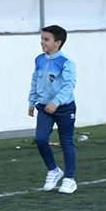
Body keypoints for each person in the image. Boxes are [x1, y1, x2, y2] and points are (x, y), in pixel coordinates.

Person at [27, 25, 78, 194]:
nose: (42, 42)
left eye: (46, 40)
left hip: (64, 108)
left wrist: (56, 102)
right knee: (41, 139)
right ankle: (54, 170)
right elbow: (35, 80)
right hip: (44, 107)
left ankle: (70, 179)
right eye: (42, 39)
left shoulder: (66, 63)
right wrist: (32, 101)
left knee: (66, 142)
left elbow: (69, 85)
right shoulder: (39, 59)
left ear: (58, 43)